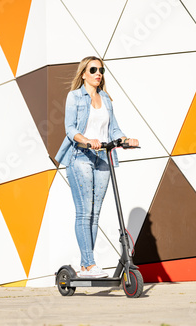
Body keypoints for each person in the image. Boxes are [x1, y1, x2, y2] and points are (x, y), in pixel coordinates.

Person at [55, 56, 139, 278]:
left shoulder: (106, 99)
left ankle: (86, 267)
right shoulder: (74, 97)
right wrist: (86, 139)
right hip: (80, 156)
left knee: (95, 213)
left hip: (103, 158)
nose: (98, 73)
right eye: (93, 70)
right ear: (83, 73)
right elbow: (70, 128)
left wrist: (125, 140)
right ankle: (89, 264)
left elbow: (113, 130)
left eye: (100, 70)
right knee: (84, 212)